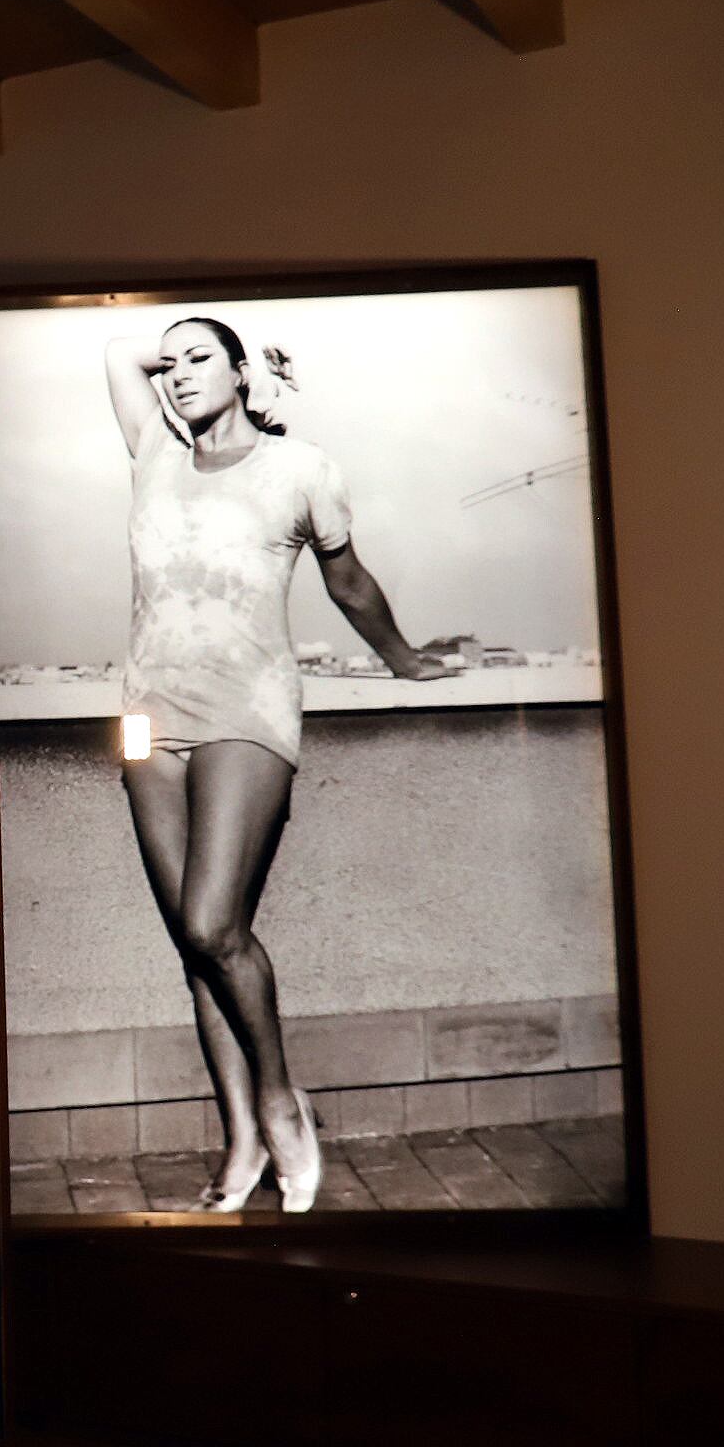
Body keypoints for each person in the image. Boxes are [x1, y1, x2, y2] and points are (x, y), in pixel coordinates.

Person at [101, 316, 449, 1214]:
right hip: (144, 721)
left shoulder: (300, 470)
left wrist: (403, 659)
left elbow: (349, 583)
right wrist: (193, 349)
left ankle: (280, 1104)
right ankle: (243, 1140)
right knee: (192, 946)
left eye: (199, 359)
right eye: (169, 364)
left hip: (244, 716)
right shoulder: (152, 451)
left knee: (215, 924)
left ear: (243, 370)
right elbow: (116, 354)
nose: (176, 375)